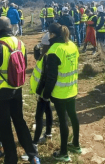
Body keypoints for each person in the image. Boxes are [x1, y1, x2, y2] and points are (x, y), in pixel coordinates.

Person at [0, 17, 41, 164]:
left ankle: (11, 158)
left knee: (5, 126)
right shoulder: (21, 44)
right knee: (20, 121)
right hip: (16, 90)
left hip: (0, 93)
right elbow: (23, 66)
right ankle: (33, 155)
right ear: (10, 27)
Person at [35, 23, 82, 162]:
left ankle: (64, 153)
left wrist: (45, 94)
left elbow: (51, 77)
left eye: (49, 33)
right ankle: (76, 144)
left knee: (63, 121)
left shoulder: (54, 51)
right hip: (72, 88)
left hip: (60, 92)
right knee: (73, 116)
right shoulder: (72, 45)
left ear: (53, 35)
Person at [29, 32, 54, 147]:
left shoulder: (47, 57)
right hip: (47, 91)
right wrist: (36, 48)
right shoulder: (49, 54)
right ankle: (48, 133)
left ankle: (34, 143)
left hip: (43, 90)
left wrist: (40, 93)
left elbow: (44, 77)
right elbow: (37, 56)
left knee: (39, 116)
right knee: (48, 110)